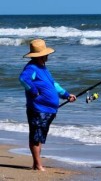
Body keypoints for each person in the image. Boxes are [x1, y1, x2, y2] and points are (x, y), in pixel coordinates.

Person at [19, 39, 76, 171]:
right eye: (46, 54)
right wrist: (34, 92)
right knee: (35, 137)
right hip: (38, 109)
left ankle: (36, 164)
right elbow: (23, 79)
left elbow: (53, 84)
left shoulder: (43, 68)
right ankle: (38, 165)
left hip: (48, 110)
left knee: (39, 137)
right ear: (41, 55)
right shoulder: (32, 67)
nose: (48, 56)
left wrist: (66, 95)